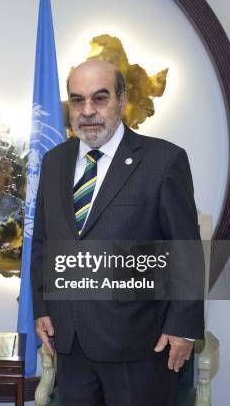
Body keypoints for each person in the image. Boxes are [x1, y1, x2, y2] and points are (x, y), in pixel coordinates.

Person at [31, 59, 204, 405]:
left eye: (100, 98)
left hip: (138, 344)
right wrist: (42, 308)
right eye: (77, 100)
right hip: (70, 342)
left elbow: (185, 251)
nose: (88, 110)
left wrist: (183, 327)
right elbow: (43, 243)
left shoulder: (163, 161)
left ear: (122, 100)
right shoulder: (54, 162)